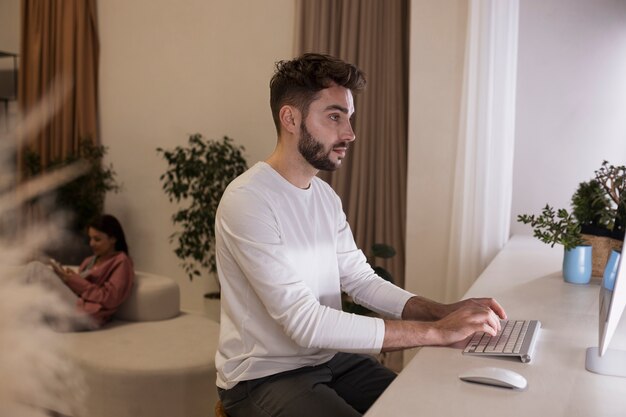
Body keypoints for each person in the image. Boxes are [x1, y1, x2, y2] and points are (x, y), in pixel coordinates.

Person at [214, 53, 507, 417]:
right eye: (335, 117)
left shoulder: (323, 197)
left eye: (348, 118)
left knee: (424, 407)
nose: (350, 133)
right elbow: (304, 323)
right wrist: (436, 332)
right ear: (290, 118)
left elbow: (361, 280)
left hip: (331, 361)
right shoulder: (248, 201)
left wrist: (441, 312)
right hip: (265, 377)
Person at [24, 214, 134, 330]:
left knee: (35, 268)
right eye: (90, 238)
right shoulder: (90, 260)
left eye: (97, 239)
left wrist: (73, 280)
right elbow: (78, 289)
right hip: (74, 306)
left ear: (113, 239)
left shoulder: (121, 262)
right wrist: (65, 278)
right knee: (37, 274)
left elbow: (110, 299)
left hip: (87, 315)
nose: (91, 244)